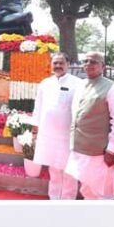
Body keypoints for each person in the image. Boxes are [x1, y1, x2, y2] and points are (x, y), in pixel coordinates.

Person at [64, 51, 114, 199]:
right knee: (87, 188)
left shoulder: (112, 88)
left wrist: (111, 150)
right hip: (79, 147)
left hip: (99, 151)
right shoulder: (81, 85)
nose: (88, 64)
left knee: (103, 191)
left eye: (94, 62)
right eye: (85, 61)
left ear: (103, 66)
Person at [33, 52, 84, 199]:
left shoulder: (78, 84)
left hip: (68, 135)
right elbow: (38, 106)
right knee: (53, 169)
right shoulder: (45, 83)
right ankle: (54, 198)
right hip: (48, 134)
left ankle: (67, 201)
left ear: (68, 65)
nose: (58, 66)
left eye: (61, 63)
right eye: (55, 63)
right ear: (51, 65)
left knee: (69, 170)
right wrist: (35, 127)